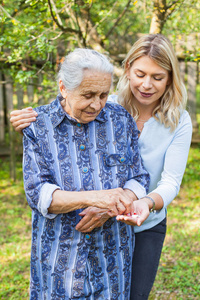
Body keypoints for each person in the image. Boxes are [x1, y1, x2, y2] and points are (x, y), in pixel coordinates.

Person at [10, 34, 193, 299]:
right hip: (62, 251)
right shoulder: (56, 120)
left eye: (158, 77)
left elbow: (155, 179)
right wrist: (99, 198)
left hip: (139, 225)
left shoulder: (129, 117)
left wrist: (118, 204)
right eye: (141, 74)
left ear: (169, 79)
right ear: (128, 69)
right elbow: (38, 192)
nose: (97, 103)